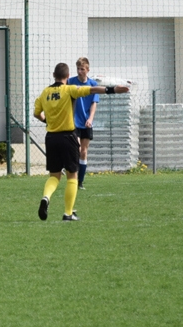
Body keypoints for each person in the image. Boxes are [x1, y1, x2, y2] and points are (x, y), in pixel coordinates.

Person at [33, 62, 129, 222]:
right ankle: (68, 213)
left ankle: (46, 197)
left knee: (54, 175)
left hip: (51, 138)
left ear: (53, 75)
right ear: (67, 76)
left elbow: (37, 113)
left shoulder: (45, 93)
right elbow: (91, 90)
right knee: (72, 175)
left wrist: (48, 122)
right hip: (68, 137)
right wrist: (112, 90)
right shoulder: (69, 89)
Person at [67, 57, 99, 189]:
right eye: (78, 69)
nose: (79, 71)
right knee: (77, 149)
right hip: (74, 122)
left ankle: (80, 181)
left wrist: (90, 119)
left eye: (82, 69)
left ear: (87, 70)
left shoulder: (92, 84)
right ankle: (72, 176)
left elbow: (94, 103)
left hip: (86, 122)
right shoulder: (70, 82)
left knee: (84, 152)